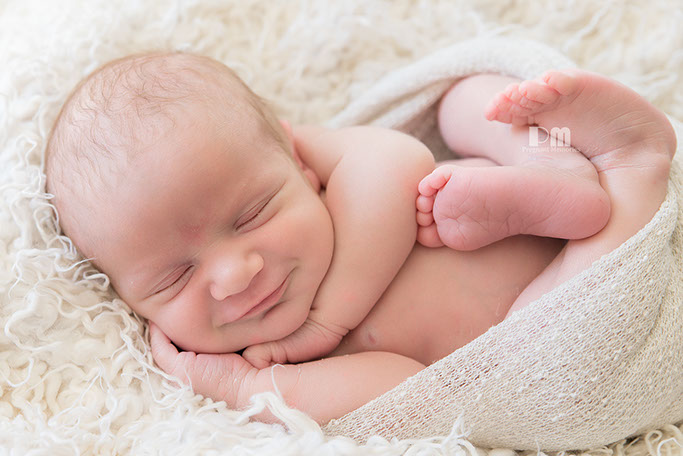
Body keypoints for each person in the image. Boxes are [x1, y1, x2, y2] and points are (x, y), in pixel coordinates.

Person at [44, 52, 676, 424]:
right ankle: (629, 163)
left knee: (464, 98)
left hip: (477, 191)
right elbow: (403, 393)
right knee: (563, 355)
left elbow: (399, 163)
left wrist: (329, 318)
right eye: (174, 278)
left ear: (298, 161)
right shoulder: (270, 368)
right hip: (548, 311)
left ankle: (548, 165)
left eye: (253, 213)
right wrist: (240, 390)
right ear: (129, 304)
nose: (237, 274)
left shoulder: (328, 183)